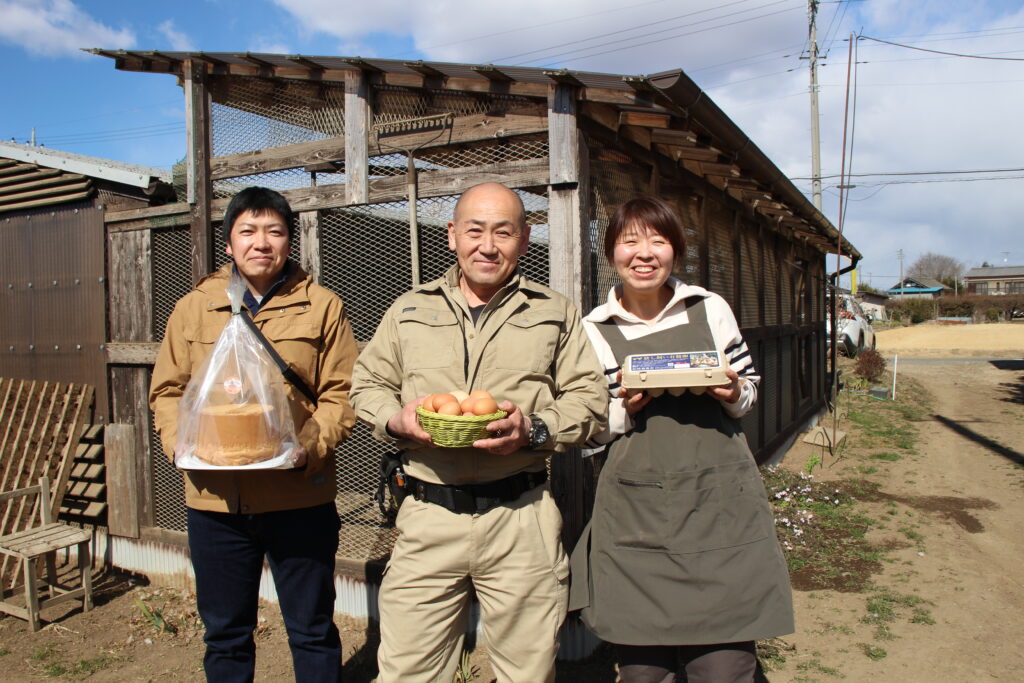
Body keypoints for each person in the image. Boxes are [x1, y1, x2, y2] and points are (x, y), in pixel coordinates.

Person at [349, 181, 607, 683]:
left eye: (503, 232)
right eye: (475, 230)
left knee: (528, 672)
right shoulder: (408, 311)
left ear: (524, 239)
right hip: (427, 516)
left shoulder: (554, 313)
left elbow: (591, 401)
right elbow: (368, 384)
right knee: (407, 672)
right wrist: (394, 420)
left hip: (521, 519)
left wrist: (534, 429)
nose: (488, 246)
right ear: (451, 235)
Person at [568, 196, 794, 683]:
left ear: (675, 251)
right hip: (637, 518)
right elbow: (588, 432)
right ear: (611, 253)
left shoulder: (708, 309)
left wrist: (732, 390)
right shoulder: (593, 330)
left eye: (658, 240)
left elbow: (750, 393)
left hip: (720, 511)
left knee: (725, 667)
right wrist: (622, 410)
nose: (644, 253)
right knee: (645, 672)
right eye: (630, 241)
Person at [149, 186, 358, 682]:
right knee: (225, 634)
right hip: (217, 502)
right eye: (248, 231)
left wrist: (306, 449)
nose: (260, 242)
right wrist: (177, 442)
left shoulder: (321, 307)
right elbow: (168, 390)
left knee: (311, 629)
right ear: (229, 244)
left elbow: (342, 395)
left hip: (298, 498)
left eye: (274, 231)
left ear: (290, 241)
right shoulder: (194, 308)